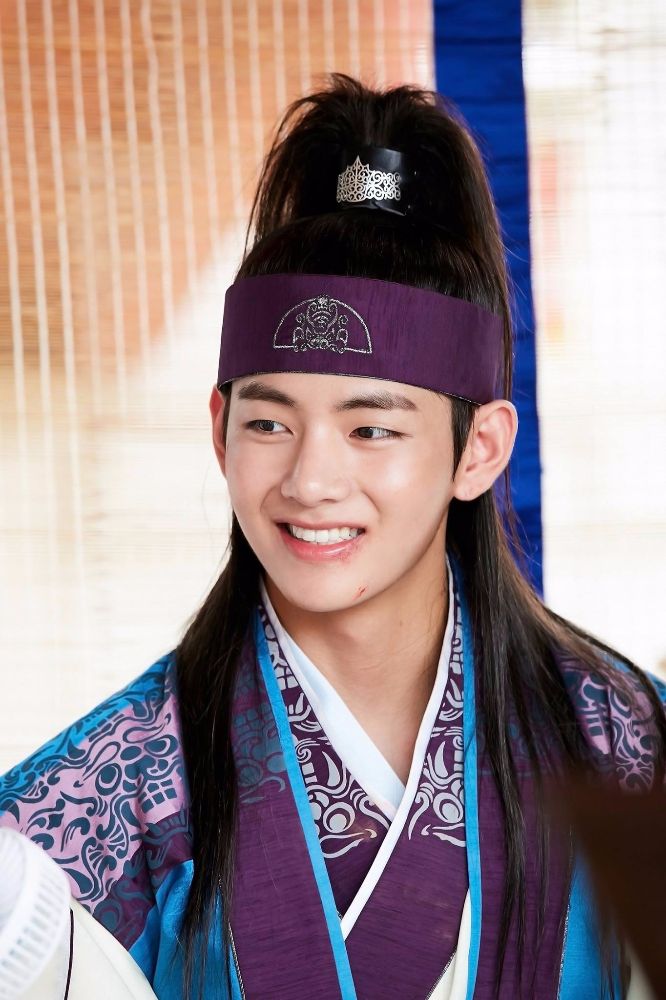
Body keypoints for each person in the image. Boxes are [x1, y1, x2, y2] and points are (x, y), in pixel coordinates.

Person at [1, 73, 665, 1000]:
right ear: (219, 431)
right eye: (269, 422)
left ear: (479, 449)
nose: (310, 480)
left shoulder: (625, 744)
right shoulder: (110, 792)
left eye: (372, 428)